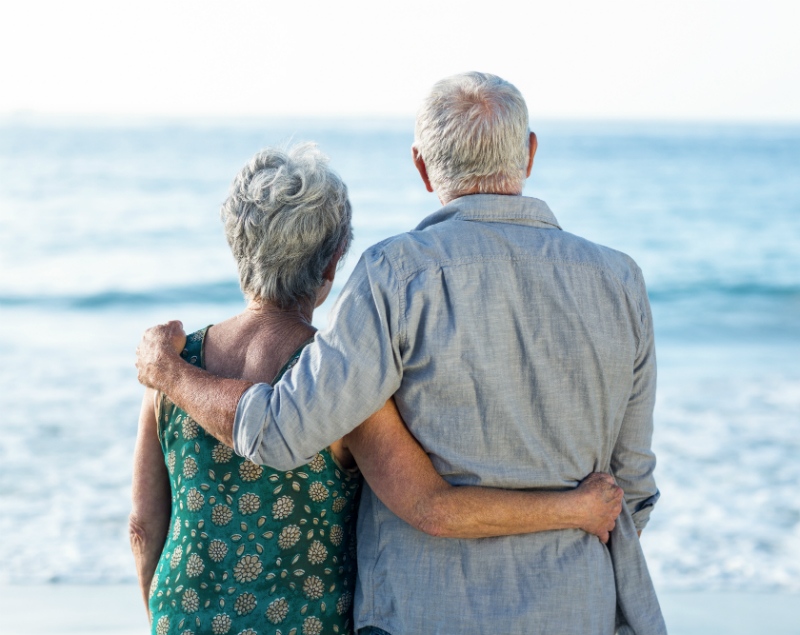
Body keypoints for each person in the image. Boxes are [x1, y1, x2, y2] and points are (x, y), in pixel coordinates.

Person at [136, 72, 666, 634]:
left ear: (421, 166)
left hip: (425, 615)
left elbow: (280, 434)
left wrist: (168, 371)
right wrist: (570, 527)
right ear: (530, 153)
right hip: (574, 610)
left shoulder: (395, 276)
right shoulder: (620, 280)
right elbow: (631, 486)